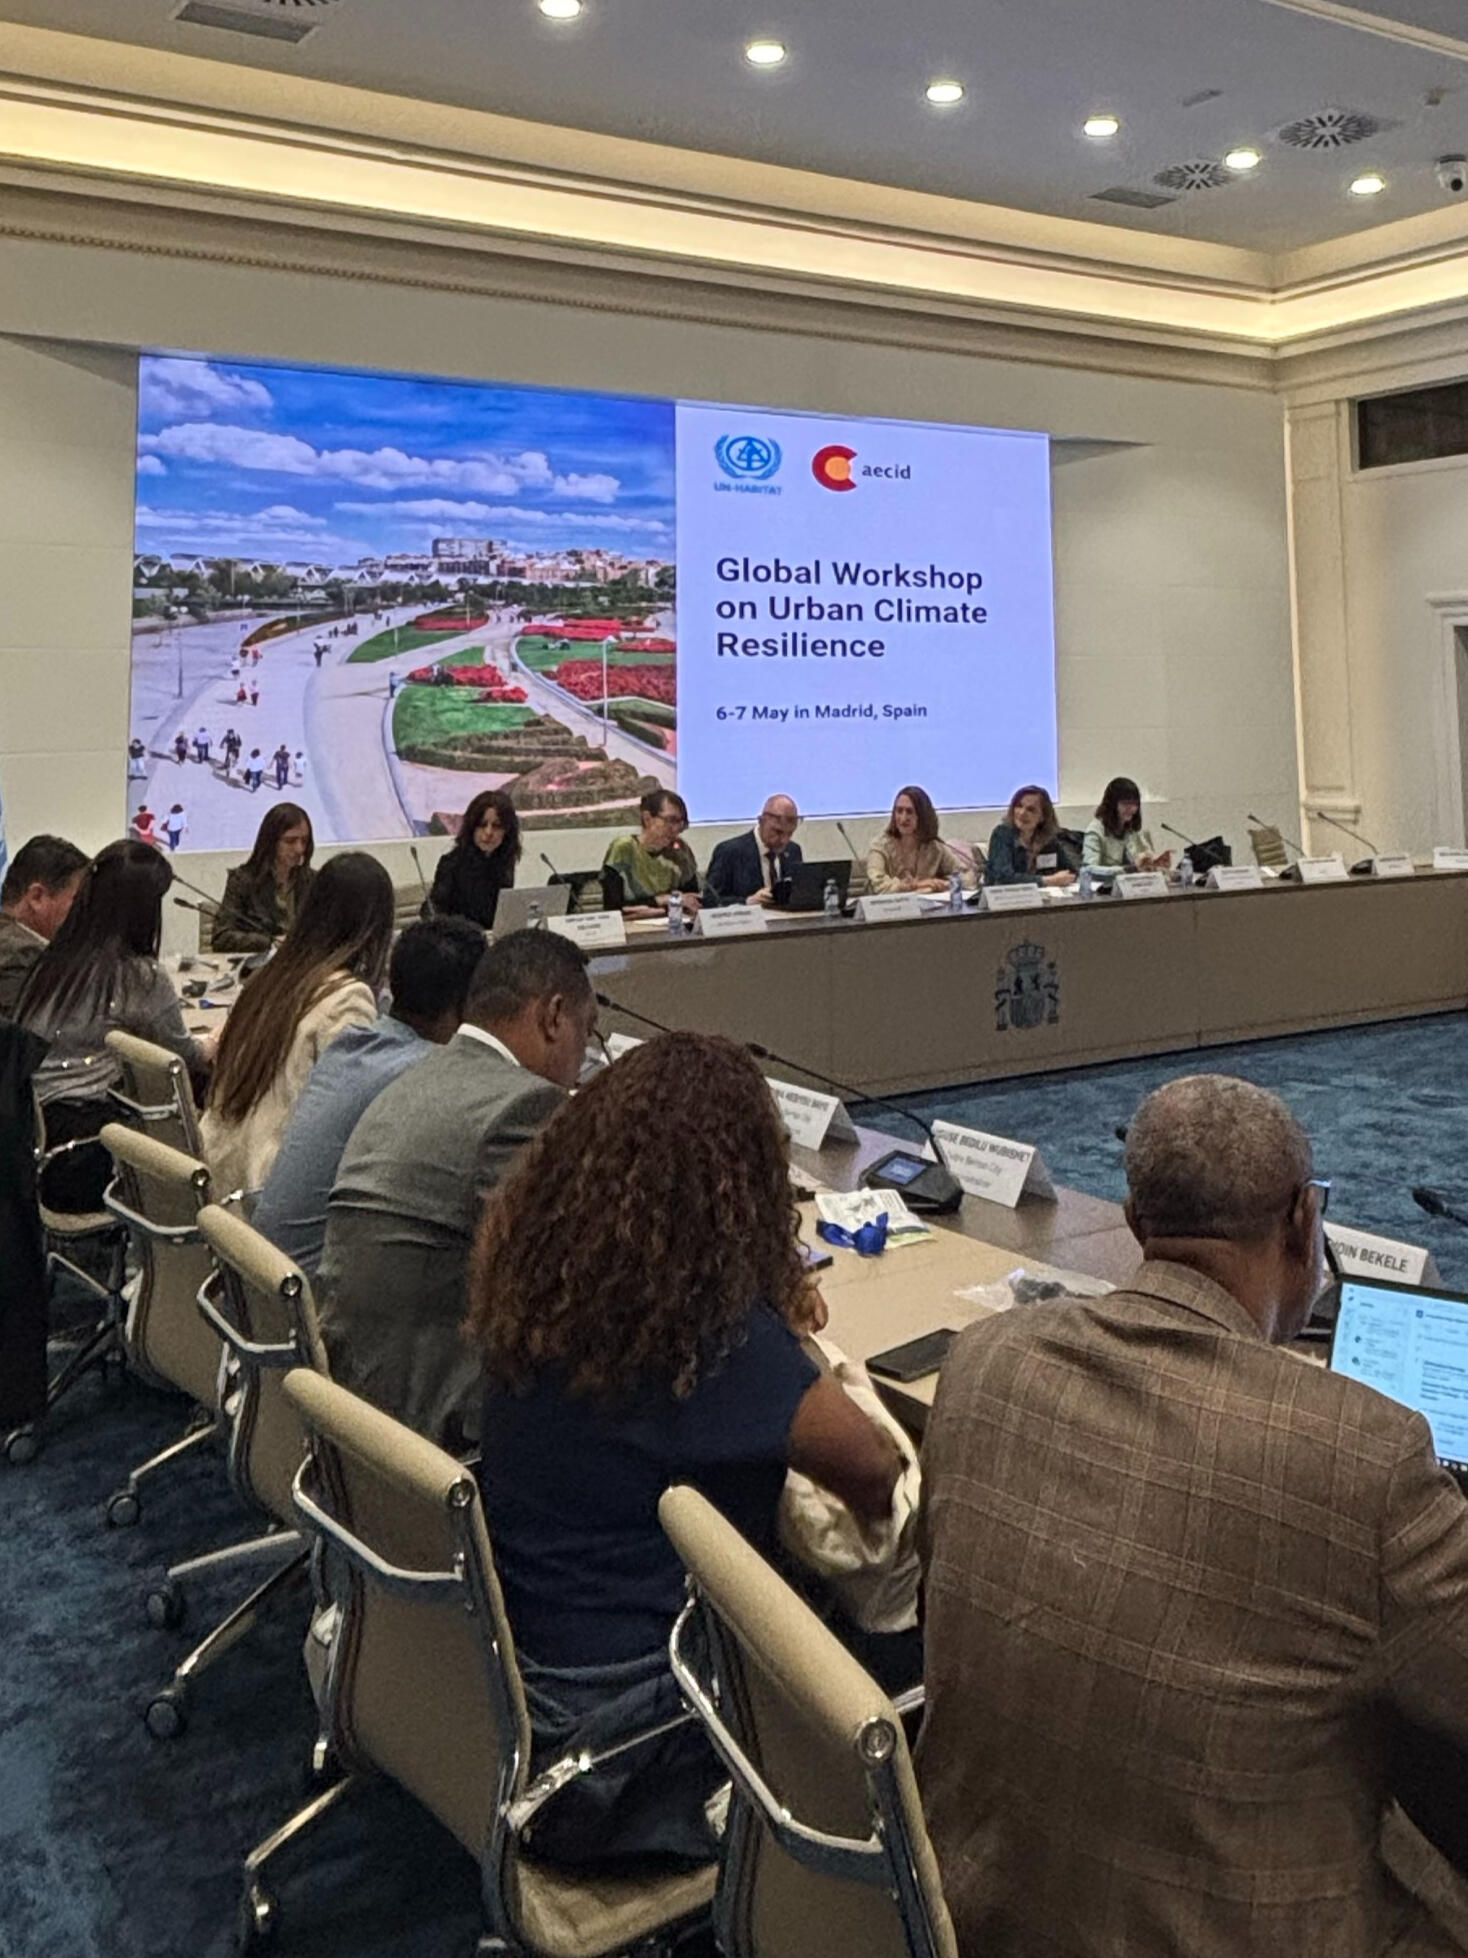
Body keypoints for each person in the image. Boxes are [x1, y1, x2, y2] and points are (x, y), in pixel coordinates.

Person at [918, 1074, 1468, 1958]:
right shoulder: (1367, 1455)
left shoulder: (984, 1362)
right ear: (1305, 1224)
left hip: (975, 1914)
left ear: (1135, 1224)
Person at [468, 1031, 903, 1872]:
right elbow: (874, 1471)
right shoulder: (703, 1340)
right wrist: (790, 1336)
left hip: (530, 1686)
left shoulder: (544, 1283)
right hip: (640, 1744)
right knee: (905, 1625)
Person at [317, 929, 595, 1451]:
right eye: (587, 1032)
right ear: (554, 1016)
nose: (583, 1059)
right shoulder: (523, 1106)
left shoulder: (418, 1076)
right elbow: (577, 1270)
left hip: (350, 1394)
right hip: (429, 1422)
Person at [254, 916, 485, 1276]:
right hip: (314, 1290)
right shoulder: (424, 1073)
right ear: (468, 1004)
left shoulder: (352, 1043)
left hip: (266, 1276)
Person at [17, 841, 209, 1202]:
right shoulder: (140, 976)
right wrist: (217, 1041)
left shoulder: (51, 962)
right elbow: (186, 1055)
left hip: (35, 1143)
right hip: (89, 1151)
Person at [201, 852, 393, 1195]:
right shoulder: (347, 998)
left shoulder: (266, 978)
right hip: (269, 1194)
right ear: (376, 927)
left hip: (219, 1177)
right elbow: (345, 1120)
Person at [0, 833, 89, 1019]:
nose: (84, 912)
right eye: (77, 900)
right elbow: (30, 1033)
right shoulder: (22, 956)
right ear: (37, 897)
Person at [213, 803, 316, 952]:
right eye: (290, 841)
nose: (299, 849)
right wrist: (269, 942)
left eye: (304, 841)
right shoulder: (243, 880)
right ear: (271, 842)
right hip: (260, 962)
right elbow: (221, 938)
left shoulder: (313, 881)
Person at [428, 789, 520, 930]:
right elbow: (435, 910)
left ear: (507, 831)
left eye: (496, 826)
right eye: (482, 825)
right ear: (471, 827)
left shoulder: (504, 862)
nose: (488, 832)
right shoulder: (451, 863)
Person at [602, 789, 702, 918]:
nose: (676, 829)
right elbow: (614, 907)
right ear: (647, 819)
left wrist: (662, 905)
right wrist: (664, 900)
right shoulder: (624, 849)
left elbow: (691, 898)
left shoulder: (680, 850)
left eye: (681, 822)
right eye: (670, 820)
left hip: (674, 923)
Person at [865, 786, 975, 895]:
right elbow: (878, 885)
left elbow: (968, 877)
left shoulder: (935, 848)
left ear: (923, 816)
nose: (903, 818)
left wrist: (945, 884)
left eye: (909, 812)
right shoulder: (880, 847)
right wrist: (917, 885)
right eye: (899, 811)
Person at [705, 793, 803, 906]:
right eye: (778, 832)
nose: (784, 840)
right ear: (761, 821)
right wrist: (747, 901)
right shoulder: (729, 852)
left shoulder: (793, 851)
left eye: (790, 833)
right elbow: (710, 900)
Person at [985, 784, 1078, 887]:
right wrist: (1047, 881)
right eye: (1019, 806)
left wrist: (1064, 878)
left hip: (1041, 895)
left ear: (1043, 816)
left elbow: (1070, 871)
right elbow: (1003, 878)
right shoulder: (1002, 834)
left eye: (1031, 810)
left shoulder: (1048, 839)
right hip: (1003, 895)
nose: (1022, 813)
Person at [1082, 774, 1172, 873]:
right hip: (1106, 882)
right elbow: (1088, 869)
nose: (1132, 809)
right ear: (1112, 804)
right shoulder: (1095, 831)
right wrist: (1127, 869)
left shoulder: (1134, 830)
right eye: (1125, 803)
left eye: (1135, 804)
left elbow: (1146, 861)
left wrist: (1157, 864)